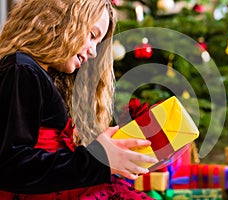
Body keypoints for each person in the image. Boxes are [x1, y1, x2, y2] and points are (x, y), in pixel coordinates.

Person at [0, 0, 158, 199]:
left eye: (97, 43)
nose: (93, 52)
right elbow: (11, 165)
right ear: (60, 21)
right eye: (92, 36)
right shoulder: (22, 69)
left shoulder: (46, 76)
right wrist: (97, 159)